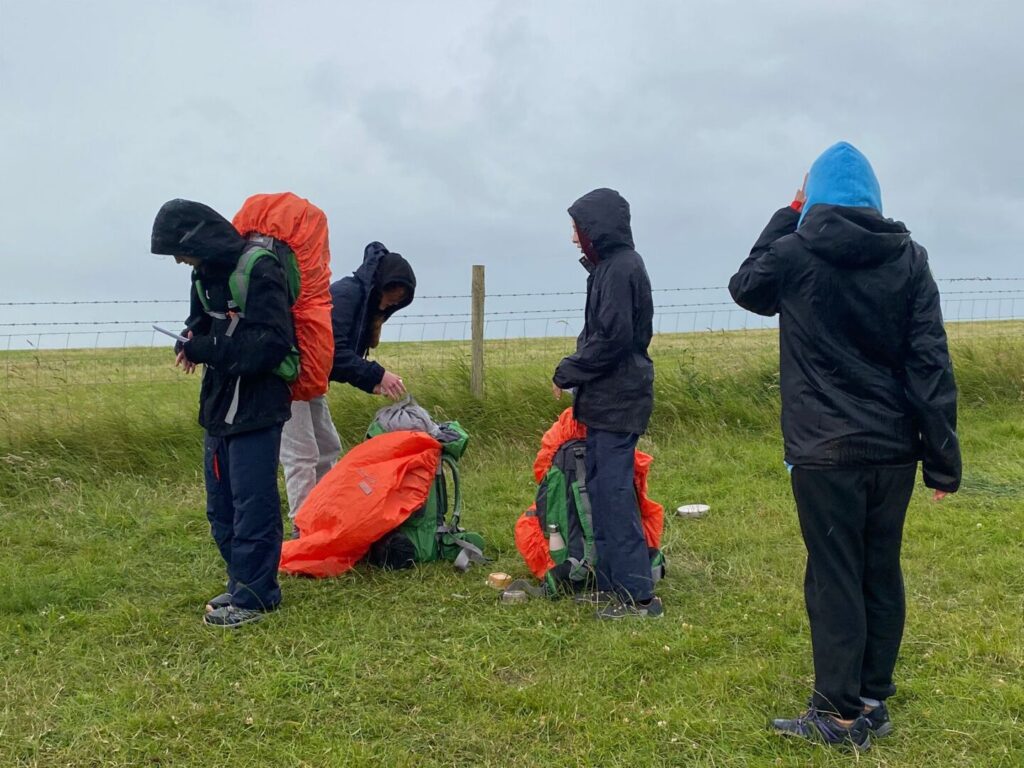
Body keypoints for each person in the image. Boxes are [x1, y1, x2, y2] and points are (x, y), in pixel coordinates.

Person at [729, 142, 962, 751]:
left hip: (823, 452)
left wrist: (789, 210)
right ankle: (871, 699)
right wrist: (941, 461)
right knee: (880, 570)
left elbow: (745, 287)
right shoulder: (909, 258)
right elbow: (929, 363)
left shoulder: (795, 252)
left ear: (814, 195)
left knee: (834, 576)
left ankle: (837, 714)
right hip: (893, 451)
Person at [151, 199, 295, 628]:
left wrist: (208, 349)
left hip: (258, 402)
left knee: (253, 502)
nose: (178, 260)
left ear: (198, 239)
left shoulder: (260, 269)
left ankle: (257, 596)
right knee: (221, 504)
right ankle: (242, 582)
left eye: (179, 250)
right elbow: (202, 321)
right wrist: (189, 338)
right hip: (219, 402)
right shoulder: (204, 272)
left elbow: (272, 343)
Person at [552, 187, 661, 620]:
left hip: (619, 400)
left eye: (578, 229)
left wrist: (569, 370)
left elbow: (613, 340)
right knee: (600, 489)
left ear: (597, 228)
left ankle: (640, 598)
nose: (575, 239)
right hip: (606, 402)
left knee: (614, 494)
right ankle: (614, 586)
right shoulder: (609, 269)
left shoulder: (620, 270)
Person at [328, 241, 415, 408]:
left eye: (396, 304)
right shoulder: (346, 295)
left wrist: (371, 384)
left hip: (312, 382)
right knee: (303, 435)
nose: (390, 306)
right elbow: (332, 352)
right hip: (294, 379)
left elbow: (340, 365)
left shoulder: (364, 303)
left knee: (325, 436)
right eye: (391, 301)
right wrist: (379, 375)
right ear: (381, 287)